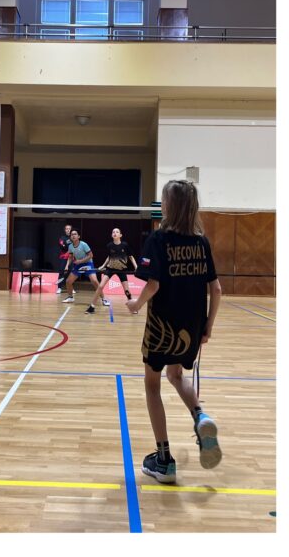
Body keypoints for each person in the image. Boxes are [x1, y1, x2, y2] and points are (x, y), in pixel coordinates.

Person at [126, 180, 221, 484]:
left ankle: (164, 460)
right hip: (191, 327)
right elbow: (216, 289)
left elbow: (153, 284)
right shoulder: (201, 242)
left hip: (162, 328)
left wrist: (136, 304)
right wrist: (208, 326)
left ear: (170, 205)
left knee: (152, 385)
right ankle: (200, 416)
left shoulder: (158, 239)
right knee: (176, 375)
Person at [86, 227, 138, 313]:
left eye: (117, 232)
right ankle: (92, 307)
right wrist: (103, 266)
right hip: (110, 269)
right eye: (113, 232)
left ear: (120, 235)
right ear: (111, 235)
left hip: (122, 270)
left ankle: (133, 307)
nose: (115, 233)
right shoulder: (109, 245)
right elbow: (109, 257)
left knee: (127, 291)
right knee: (100, 286)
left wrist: (136, 267)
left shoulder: (125, 245)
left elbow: (131, 257)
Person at [59, 230, 101, 302]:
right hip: (78, 265)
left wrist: (80, 261)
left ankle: (104, 299)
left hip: (88, 263)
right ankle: (70, 297)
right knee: (68, 281)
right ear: (70, 237)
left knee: (94, 281)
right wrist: (67, 266)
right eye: (72, 234)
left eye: (75, 234)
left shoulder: (83, 244)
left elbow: (91, 255)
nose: (73, 235)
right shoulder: (70, 246)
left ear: (78, 236)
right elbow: (70, 257)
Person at [55, 224, 74, 293]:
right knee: (61, 271)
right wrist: (66, 246)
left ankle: (71, 288)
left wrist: (67, 246)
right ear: (65, 230)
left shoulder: (73, 237)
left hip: (71, 257)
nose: (68, 230)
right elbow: (62, 246)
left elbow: (74, 246)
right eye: (67, 229)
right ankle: (59, 288)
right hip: (63, 256)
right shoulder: (62, 238)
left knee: (71, 272)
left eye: (69, 229)